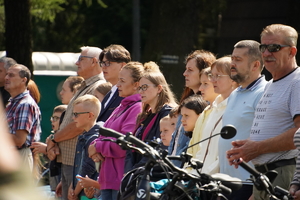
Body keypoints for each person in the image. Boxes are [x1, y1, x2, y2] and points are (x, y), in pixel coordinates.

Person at [226, 24, 300, 200]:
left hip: (282, 175)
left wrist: (257, 148)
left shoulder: (296, 82)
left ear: (292, 51)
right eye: (263, 47)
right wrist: (248, 146)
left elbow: (299, 132)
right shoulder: (274, 83)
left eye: (274, 48)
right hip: (264, 177)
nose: (266, 53)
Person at [46, 46, 106, 200]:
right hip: (70, 161)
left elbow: (78, 125)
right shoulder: (86, 86)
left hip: (77, 162)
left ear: (93, 62)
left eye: (80, 59)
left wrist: (54, 139)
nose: (76, 63)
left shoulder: (97, 87)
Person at [219, 40, 267, 200]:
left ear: (255, 65)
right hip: (225, 181)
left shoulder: (264, 93)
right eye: (232, 59)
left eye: (238, 60)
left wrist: (257, 192)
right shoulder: (235, 93)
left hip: (247, 183)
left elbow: (266, 139)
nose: (232, 64)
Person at [88, 62, 144, 200]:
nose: (117, 84)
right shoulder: (121, 106)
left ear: (136, 84)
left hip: (119, 180)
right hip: (107, 179)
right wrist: (94, 146)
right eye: (118, 79)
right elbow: (103, 134)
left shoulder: (137, 108)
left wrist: (96, 147)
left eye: (122, 81)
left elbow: (123, 145)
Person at [125, 61, 177, 172]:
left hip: (152, 174)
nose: (140, 92)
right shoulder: (145, 115)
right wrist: (129, 172)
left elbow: (160, 148)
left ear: (159, 88)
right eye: (139, 88)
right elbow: (132, 147)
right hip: (137, 173)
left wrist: (136, 171)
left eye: (144, 87)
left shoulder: (168, 113)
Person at [168, 50, 216, 167]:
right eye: (186, 69)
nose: (184, 74)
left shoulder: (208, 105)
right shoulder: (187, 101)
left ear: (204, 72)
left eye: (190, 70)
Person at [194, 56, 238, 175]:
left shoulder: (236, 108)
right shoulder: (213, 108)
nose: (212, 80)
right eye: (211, 75)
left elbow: (225, 153)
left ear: (233, 79)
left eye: (217, 76)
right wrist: (193, 173)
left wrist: (205, 176)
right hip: (200, 180)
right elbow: (202, 149)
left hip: (215, 183)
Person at [5, 64, 41, 172]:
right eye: (6, 74)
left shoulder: (24, 104)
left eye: (11, 75)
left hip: (18, 158)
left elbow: (19, 140)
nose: (6, 78)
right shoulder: (14, 102)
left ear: (23, 80)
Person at [68, 95, 100, 200]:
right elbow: (79, 167)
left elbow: (87, 170)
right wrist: (72, 186)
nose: (73, 118)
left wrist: (74, 193)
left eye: (76, 114)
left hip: (89, 194)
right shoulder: (84, 136)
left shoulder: (93, 139)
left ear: (90, 116)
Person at [30, 104, 67, 192]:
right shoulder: (51, 138)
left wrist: (47, 149)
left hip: (65, 184)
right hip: (55, 185)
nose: (52, 121)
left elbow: (65, 157)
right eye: (52, 118)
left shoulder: (68, 140)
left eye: (57, 118)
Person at [187, 67, 218, 158]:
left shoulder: (220, 112)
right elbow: (192, 146)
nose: (200, 88)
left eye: (205, 84)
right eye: (201, 84)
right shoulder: (204, 111)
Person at [97, 44, 131, 122]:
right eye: (102, 63)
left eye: (108, 63)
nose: (103, 67)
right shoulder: (110, 93)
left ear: (123, 66)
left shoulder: (127, 93)